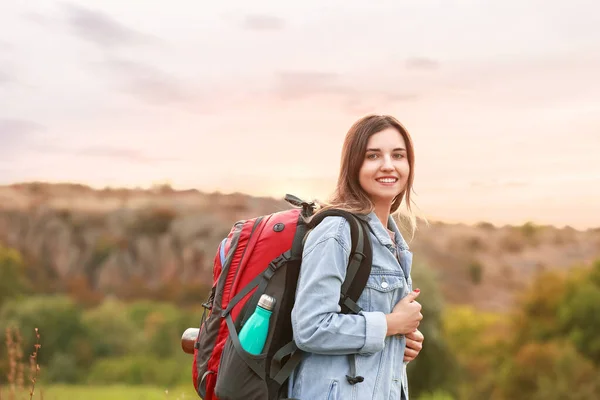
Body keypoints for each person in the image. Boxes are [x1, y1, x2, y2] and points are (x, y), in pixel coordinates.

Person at [288, 114, 424, 400]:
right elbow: (310, 327)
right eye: (373, 155)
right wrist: (390, 325)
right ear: (354, 165)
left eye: (398, 155)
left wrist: (400, 343)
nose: (388, 165)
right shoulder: (336, 231)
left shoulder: (393, 241)